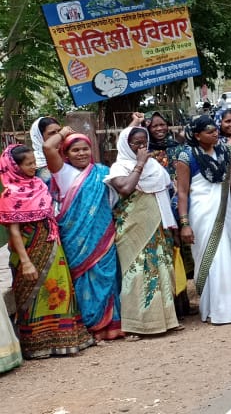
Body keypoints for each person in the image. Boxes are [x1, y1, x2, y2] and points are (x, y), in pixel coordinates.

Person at [2, 145, 94, 358]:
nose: (34, 167)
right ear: (14, 167)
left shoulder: (38, 185)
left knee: (59, 290)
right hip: (28, 250)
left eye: (34, 162)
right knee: (33, 297)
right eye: (28, 164)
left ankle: (67, 338)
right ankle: (37, 345)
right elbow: (13, 232)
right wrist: (25, 262)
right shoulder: (10, 194)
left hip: (52, 246)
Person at [43, 127, 123, 341]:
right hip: (75, 239)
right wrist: (63, 132)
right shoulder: (62, 172)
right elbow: (47, 147)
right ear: (66, 154)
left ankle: (112, 326)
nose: (81, 153)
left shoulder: (103, 171)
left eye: (85, 149)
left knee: (107, 276)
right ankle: (90, 327)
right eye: (75, 150)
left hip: (103, 236)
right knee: (82, 279)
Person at [106, 124, 182, 338]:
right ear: (126, 145)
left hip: (158, 228)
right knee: (137, 272)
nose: (142, 148)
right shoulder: (118, 167)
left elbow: (166, 196)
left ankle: (166, 320)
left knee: (162, 269)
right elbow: (126, 188)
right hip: (132, 230)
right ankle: (138, 325)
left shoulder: (156, 168)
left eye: (144, 144)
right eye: (136, 144)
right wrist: (139, 164)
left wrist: (173, 228)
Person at [176, 115, 231, 324]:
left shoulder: (225, 151)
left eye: (215, 130)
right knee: (212, 257)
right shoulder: (186, 156)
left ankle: (225, 307)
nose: (215, 133)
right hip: (201, 212)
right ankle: (215, 308)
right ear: (197, 135)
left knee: (223, 256)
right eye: (209, 131)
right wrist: (184, 223)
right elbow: (182, 192)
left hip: (226, 210)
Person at [146, 112, 194, 318]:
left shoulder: (180, 149)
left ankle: (184, 301)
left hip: (180, 206)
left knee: (182, 253)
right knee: (165, 252)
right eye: (154, 125)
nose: (159, 129)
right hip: (157, 207)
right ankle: (170, 304)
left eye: (162, 124)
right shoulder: (145, 153)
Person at [28, 117, 61, 184]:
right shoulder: (33, 163)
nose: (58, 136)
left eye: (60, 131)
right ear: (40, 137)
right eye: (52, 133)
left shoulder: (69, 154)